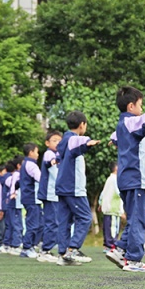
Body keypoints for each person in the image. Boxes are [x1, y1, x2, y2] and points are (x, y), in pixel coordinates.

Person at [112, 86, 145, 272]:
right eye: (140, 106)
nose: (141, 109)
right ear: (130, 107)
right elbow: (143, 121)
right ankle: (134, 260)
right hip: (135, 179)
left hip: (127, 179)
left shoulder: (122, 125)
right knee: (139, 220)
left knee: (136, 217)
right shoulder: (131, 121)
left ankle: (119, 249)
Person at [54, 111, 100, 265]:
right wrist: (87, 143)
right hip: (72, 187)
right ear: (82, 125)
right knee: (85, 217)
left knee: (65, 221)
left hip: (62, 186)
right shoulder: (72, 139)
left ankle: (63, 255)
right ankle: (73, 249)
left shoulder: (63, 141)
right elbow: (78, 145)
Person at [37, 130, 63, 263]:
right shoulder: (49, 154)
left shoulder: (57, 154)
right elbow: (50, 162)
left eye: (60, 140)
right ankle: (45, 250)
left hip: (55, 194)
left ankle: (47, 248)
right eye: (54, 140)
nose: (58, 143)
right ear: (47, 143)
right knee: (51, 223)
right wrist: (58, 159)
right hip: (50, 194)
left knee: (54, 222)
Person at [19, 143, 43, 259]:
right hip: (31, 198)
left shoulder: (25, 163)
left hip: (30, 198)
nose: (38, 155)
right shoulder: (31, 165)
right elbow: (40, 178)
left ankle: (31, 246)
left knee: (38, 224)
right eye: (37, 152)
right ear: (31, 152)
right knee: (33, 224)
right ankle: (27, 248)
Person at [98, 162, 123, 258]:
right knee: (113, 228)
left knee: (108, 227)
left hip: (108, 207)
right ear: (116, 168)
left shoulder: (109, 179)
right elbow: (118, 192)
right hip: (113, 208)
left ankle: (107, 244)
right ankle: (112, 245)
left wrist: (100, 203)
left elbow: (103, 192)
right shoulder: (115, 179)